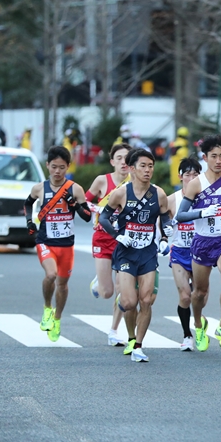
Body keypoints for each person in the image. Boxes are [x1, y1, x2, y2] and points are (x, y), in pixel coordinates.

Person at [99, 149, 170, 362]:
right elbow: (103, 218)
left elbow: (166, 219)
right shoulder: (121, 193)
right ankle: (131, 337)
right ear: (132, 168)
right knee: (129, 302)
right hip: (126, 253)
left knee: (146, 300)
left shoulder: (159, 194)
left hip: (148, 252)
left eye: (151, 166)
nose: (148, 170)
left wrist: (165, 238)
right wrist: (117, 235)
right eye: (143, 166)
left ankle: (138, 345)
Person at [175, 135, 221, 351]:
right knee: (199, 293)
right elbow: (180, 215)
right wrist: (202, 212)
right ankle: (198, 324)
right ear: (205, 158)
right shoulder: (196, 184)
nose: (218, 161)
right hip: (203, 241)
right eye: (213, 156)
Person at [24, 146, 92, 343]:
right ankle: (47, 307)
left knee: (62, 285)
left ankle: (58, 318)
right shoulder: (39, 188)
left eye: (61, 167)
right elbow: (28, 204)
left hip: (66, 244)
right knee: (50, 275)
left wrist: (75, 204)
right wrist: (29, 222)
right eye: (53, 167)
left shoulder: (75, 188)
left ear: (68, 167)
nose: (57, 171)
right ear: (47, 166)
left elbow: (87, 217)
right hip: (45, 240)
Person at [84, 143, 132, 348]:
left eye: (127, 158)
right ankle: (99, 281)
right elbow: (83, 201)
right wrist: (94, 208)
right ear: (112, 161)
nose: (123, 162)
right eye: (119, 158)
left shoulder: (135, 183)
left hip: (124, 241)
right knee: (107, 292)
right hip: (103, 239)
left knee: (123, 289)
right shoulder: (102, 180)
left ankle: (113, 330)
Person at [163, 157, 202, 351]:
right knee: (185, 296)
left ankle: (198, 323)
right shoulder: (172, 200)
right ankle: (187, 335)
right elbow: (162, 223)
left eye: (195, 175)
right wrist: (165, 234)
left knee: (199, 296)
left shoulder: (205, 198)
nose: (191, 178)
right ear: (180, 176)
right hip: (179, 251)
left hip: (201, 251)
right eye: (188, 175)